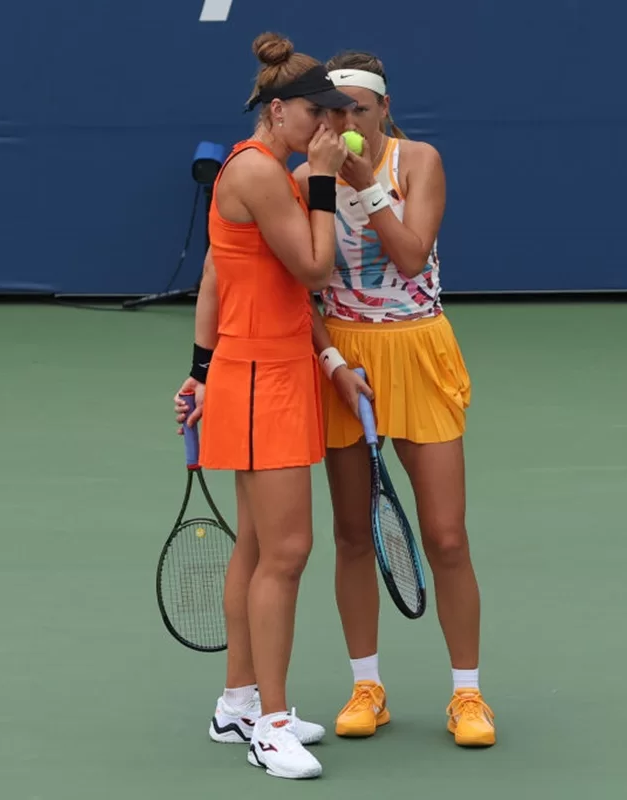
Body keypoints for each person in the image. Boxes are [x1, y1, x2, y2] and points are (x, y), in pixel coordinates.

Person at [289, 49, 497, 748]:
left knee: (445, 535)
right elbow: (303, 287)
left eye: (358, 108)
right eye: (332, 108)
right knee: (353, 535)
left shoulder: (418, 162)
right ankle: (366, 687)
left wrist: (365, 189)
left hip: (419, 350)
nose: (344, 120)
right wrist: (329, 359)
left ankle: (467, 696)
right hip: (346, 362)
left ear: (383, 110)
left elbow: (410, 256)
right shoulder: (303, 178)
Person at [170, 32, 362, 780]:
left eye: (334, 118)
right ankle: (271, 725)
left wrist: (199, 370)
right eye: (317, 115)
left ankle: (239, 702)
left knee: (255, 547)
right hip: (261, 383)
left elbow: (226, 276)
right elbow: (315, 266)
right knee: (286, 553)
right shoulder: (256, 173)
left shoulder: (266, 174)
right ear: (277, 110)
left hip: (269, 371)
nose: (327, 128)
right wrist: (322, 178)